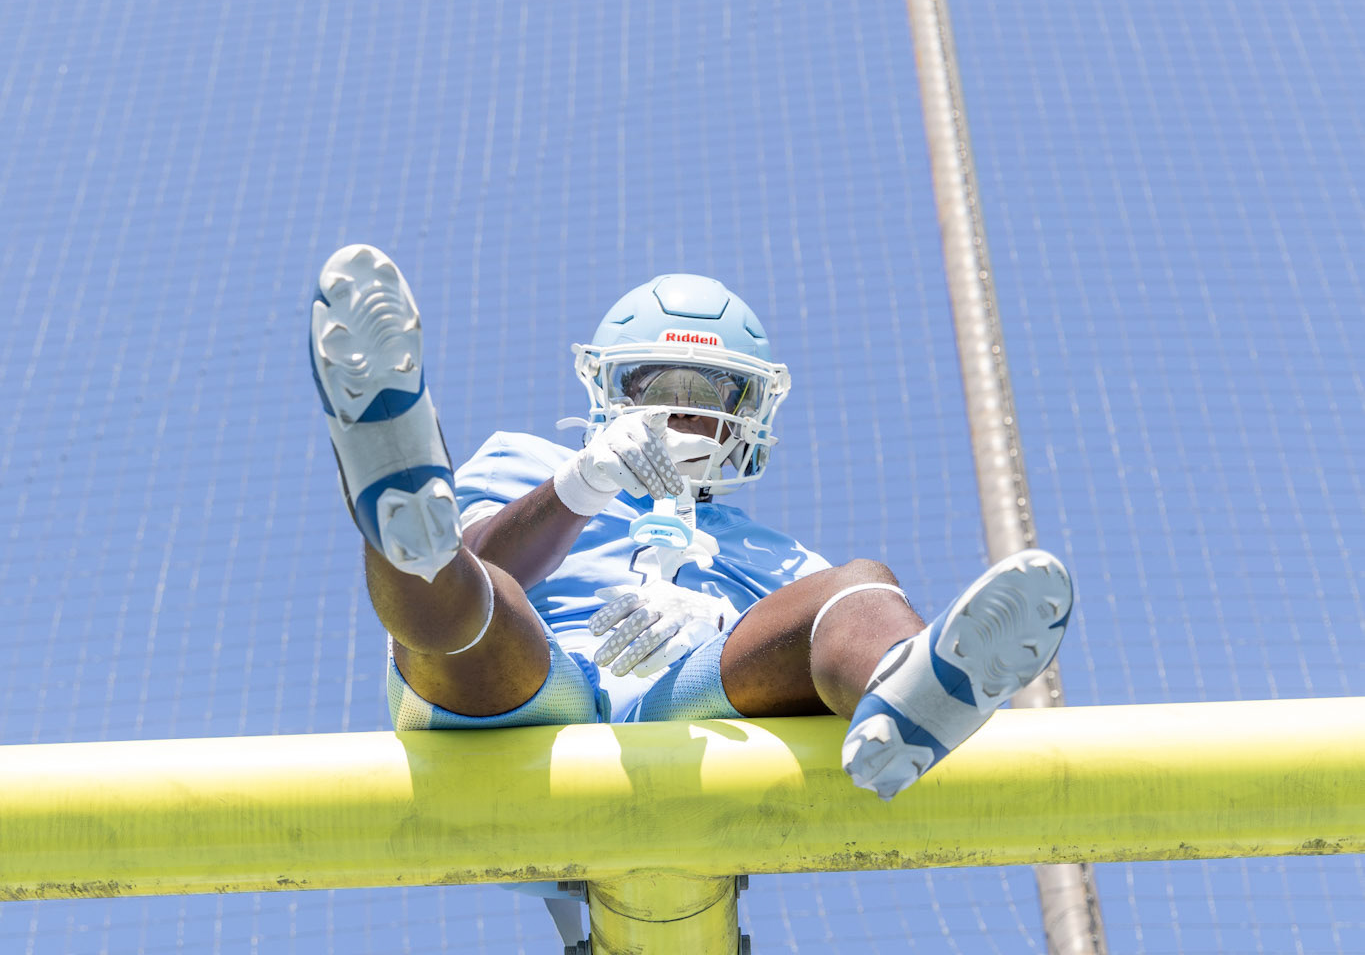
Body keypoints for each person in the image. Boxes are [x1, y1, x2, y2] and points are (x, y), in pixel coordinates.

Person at [309, 246, 1073, 797]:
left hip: (689, 719)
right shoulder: (528, 464)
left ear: (748, 416)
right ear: (611, 392)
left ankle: (904, 695)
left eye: (713, 395)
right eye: (657, 386)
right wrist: (580, 484)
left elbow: (783, 655)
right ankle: (395, 480)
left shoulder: (777, 559)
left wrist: (722, 621)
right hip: (523, 699)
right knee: (468, 588)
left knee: (857, 587)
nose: (682, 412)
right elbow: (484, 562)